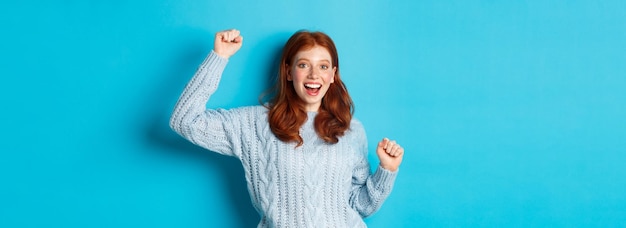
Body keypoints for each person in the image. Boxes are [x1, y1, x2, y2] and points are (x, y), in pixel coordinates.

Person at [170, 29, 404, 227]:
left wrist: (386, 170)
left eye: (323, 66)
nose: (314, 75)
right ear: (289, 71)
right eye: (304, 65)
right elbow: (185, 120)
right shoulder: (254, 124)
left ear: (333, 75)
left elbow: (359, 205)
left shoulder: (351, 128)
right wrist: (219, 57)